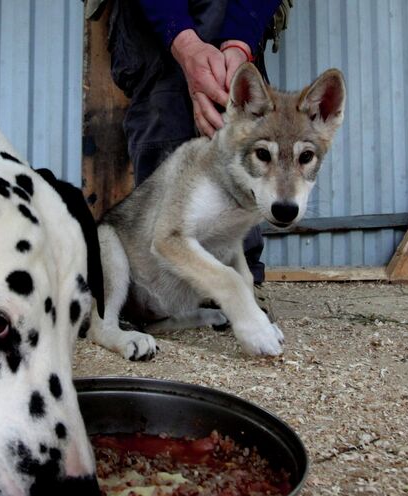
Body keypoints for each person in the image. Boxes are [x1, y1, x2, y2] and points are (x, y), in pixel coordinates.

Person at [86, 0, 291, 284]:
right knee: (163, 104)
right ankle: (161, 282)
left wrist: (240, 41)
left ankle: (238, 279)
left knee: (235, 101)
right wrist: (184, 42)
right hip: (149, 18)